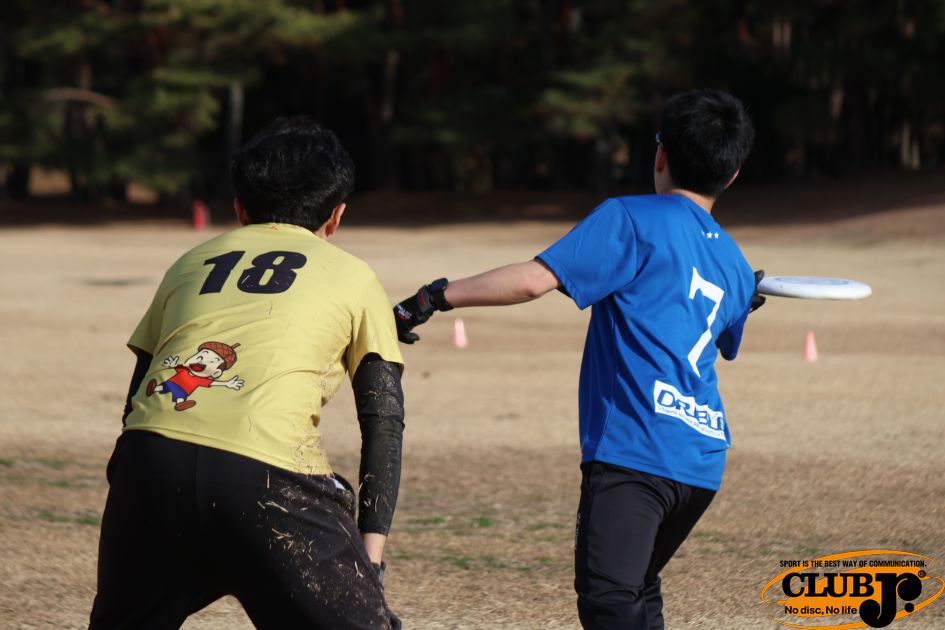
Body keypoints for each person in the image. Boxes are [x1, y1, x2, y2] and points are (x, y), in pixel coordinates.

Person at [394, 90, 763, 630]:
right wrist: (745, 293)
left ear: (660, 154)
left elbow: (532, 281)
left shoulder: (631, 217)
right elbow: (724, 338)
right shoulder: (734, 262)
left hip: (636, 450)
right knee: (637, 588)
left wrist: (431, 298)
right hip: (702, 460)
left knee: (608, 600)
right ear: (732, 175)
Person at [90, 117, 405, 630]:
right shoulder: (355, 275)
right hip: (266, 478)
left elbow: (137, 398)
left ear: (239, 209)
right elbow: (384, 419)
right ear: (337, 215)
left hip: (150, 466)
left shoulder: (189, 262)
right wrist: (370, 557)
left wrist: (132, 494)